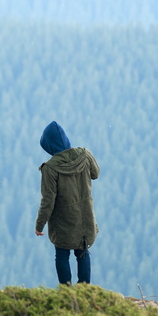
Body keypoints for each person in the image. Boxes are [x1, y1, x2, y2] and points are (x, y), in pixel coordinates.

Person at [35, 121, 100, 285]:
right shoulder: (84, 154)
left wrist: (39, 225)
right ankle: (85, 289)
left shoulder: (50, 168)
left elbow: (48, 200)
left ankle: (66, 291)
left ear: (49, 146)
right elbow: (96, 174)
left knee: (62, 255)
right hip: (85, 218)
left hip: (63, 222)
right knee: (83, 252)